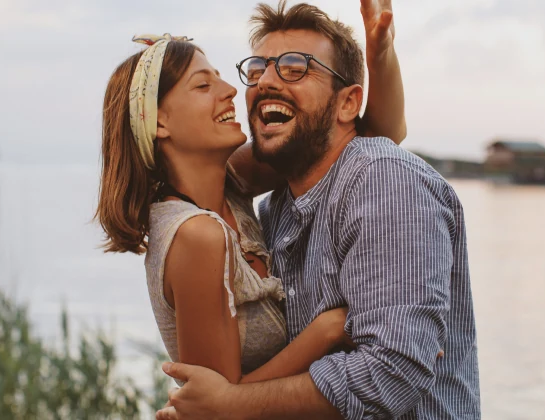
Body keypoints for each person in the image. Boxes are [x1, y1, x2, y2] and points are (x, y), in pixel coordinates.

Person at [156, 1, 481, 419]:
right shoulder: (271, 210)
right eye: (257, 69)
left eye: (295, 67)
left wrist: (232, 404)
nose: (264, 81)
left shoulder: (382, 180)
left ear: (348, 104)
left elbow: (393, 369)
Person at [94, 0, 408, 394]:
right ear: (160, 121)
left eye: (223, 79)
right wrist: (325, 332)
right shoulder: (196, 236)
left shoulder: (228, 184)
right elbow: (219, 405)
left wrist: (381, 54)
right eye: (203, 85)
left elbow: (368, 134)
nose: (232, 91)